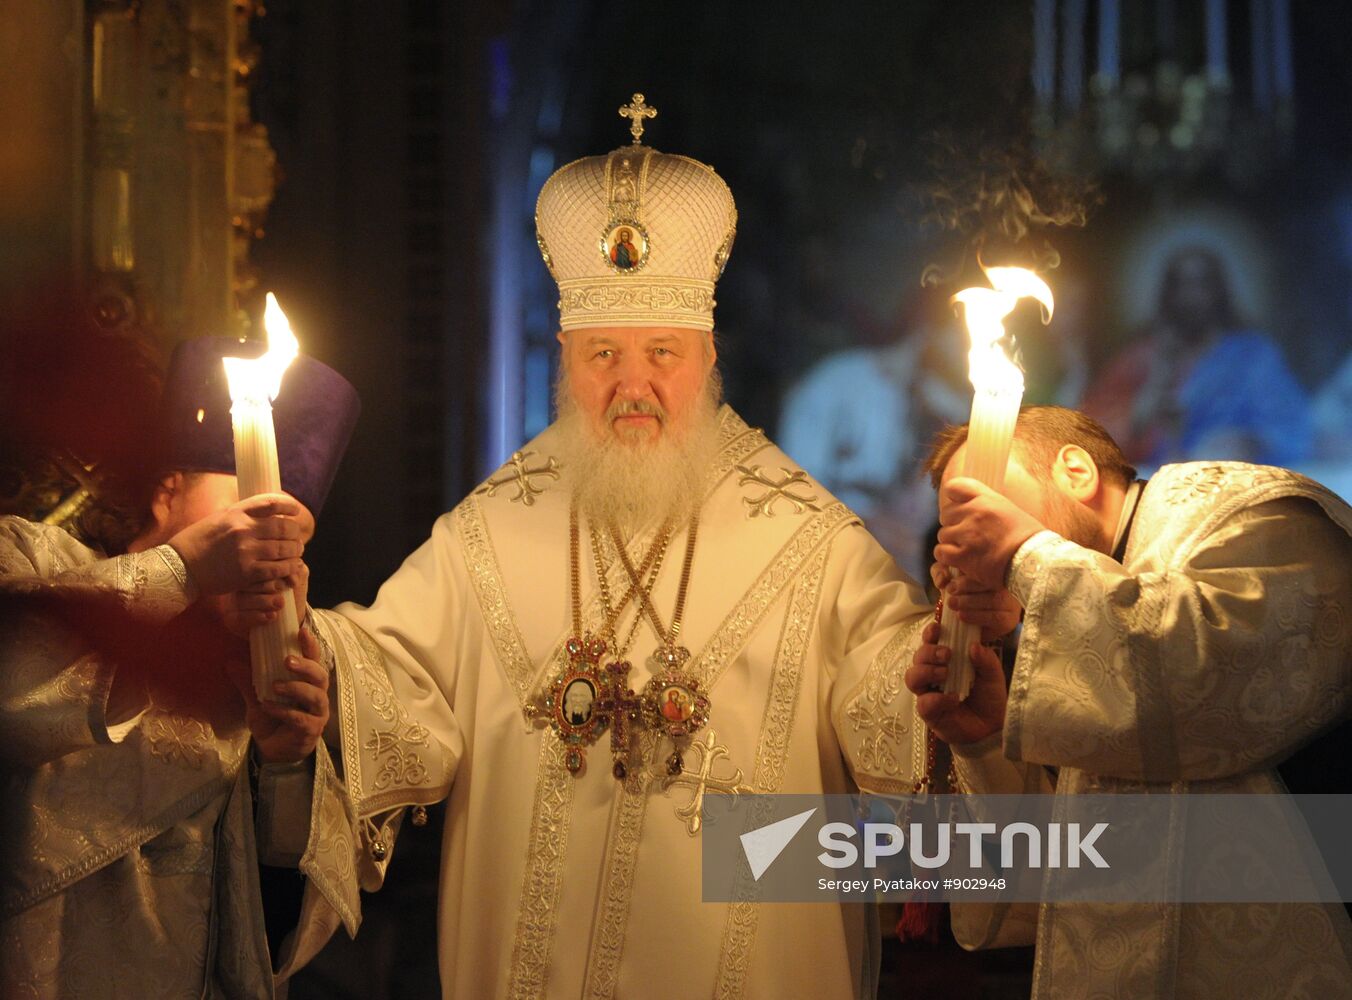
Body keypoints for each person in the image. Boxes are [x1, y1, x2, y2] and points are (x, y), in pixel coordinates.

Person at [306, 100, 1017, 1000]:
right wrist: (300, 644)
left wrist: (950, 671)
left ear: (708, 356)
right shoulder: (486, 530)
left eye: (662, 353)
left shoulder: (809, 540)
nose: (632, 385)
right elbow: (386, 670)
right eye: (602, 354)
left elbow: (891, 682)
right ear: (564, 358)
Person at [0, 336, 454, 997]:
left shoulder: (271, 662)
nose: (269, 547)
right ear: (167, 492)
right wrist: (183, 569)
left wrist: (286, 761)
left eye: (292, 534)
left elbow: (267, 936)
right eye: (248, 513)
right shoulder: (34, 558)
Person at [906, 404, 1352, 998]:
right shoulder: (1065, 644)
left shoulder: (1245, 510)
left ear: (1076, 470)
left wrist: (1026, 555)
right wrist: (988, 737)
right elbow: (1060, 880)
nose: (974, 538)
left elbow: (1204, 684)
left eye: (988, 505)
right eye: (958, 526)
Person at [1083, 246, 1312, 471]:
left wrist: (1249, 441)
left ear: (1219, 291)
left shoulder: (1253, 356)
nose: (1191, 296)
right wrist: (1142, 410)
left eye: (1202, 284)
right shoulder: (1140, 358)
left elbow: (1292, 425)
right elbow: (1093, 434)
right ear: (1169, 292)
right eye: (1182, 284)